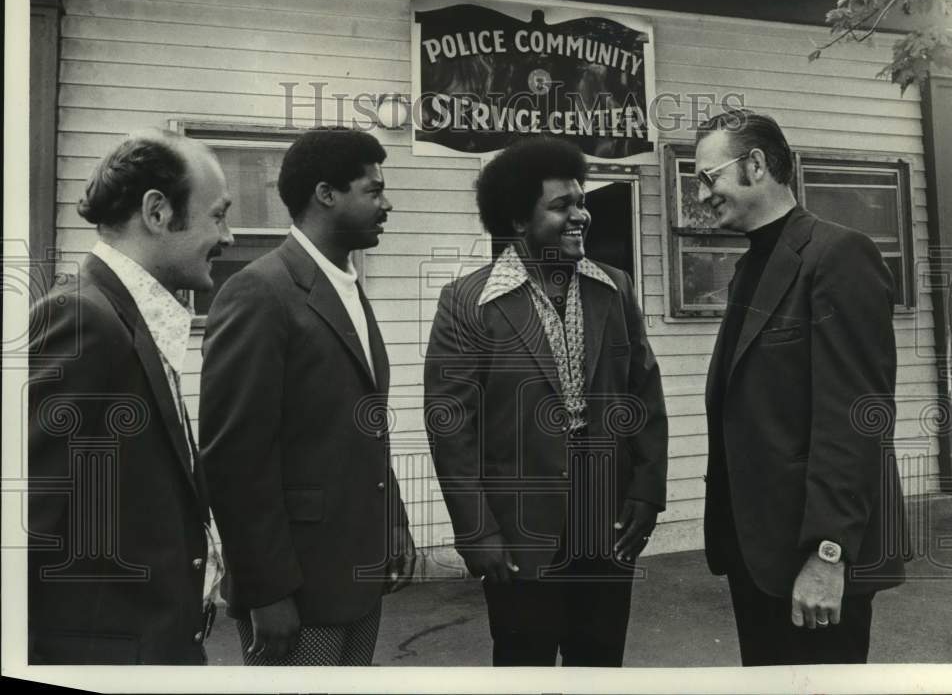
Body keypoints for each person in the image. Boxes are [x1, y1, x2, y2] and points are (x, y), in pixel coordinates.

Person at [423, 137, 668, 667]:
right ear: (517, 220)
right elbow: (451, 429)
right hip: (520, 529)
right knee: (523, 665)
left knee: (599, 665)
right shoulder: (468, 302)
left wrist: (647, 495)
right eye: (561, 206)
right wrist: (477, 531)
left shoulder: (614, 287)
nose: (580, 215)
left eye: (581, 201)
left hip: (607, 524)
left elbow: (644, 396)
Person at [697, 109, 908, 666]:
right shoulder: (749, 269)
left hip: (811, 557)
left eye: (708, 177)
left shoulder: (838, 254)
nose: (701, 195)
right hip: (756, 554)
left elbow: (856, 418)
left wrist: (827, 555)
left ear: (756, 165)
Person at [199, 126, 414, 666]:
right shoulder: (259, 290)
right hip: (297, 590)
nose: (386, 204)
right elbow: (234, 459)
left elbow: (361, 428)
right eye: (373, 190)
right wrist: (265, 591)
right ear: (325, 194)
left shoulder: (346, 285)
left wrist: (394, 522)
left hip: (357, 577)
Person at [27, 129, 233, 663]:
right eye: (218, 215)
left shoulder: (127, 317)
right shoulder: (81, 320)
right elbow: (26, 531)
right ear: (157, 212)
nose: (228, 236)